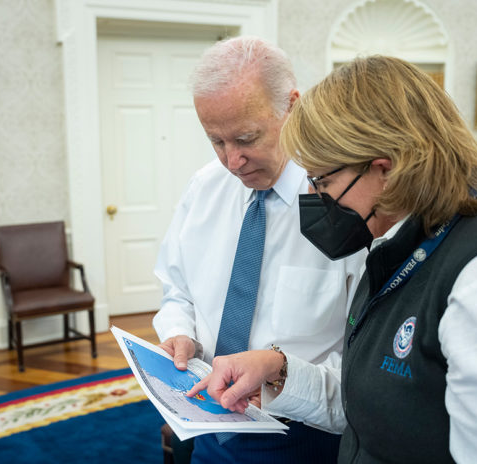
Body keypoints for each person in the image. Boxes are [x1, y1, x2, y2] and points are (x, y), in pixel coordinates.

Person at [188, 55, 477, 463]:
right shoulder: (400, 247)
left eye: (323, 180)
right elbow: (379, 399)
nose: (316, 199)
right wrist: (279, 369)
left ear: (386, 170)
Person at [152, 36, 365, 464]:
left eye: (247, 138)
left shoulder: (350, 202)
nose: (233, 162)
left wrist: (283, 382)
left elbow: (364, 366)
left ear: (293, 106)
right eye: (216, 141)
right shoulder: (204, 187)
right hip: (206, 421)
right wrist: (179, 332)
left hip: (307, 435)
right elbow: (177, 291)